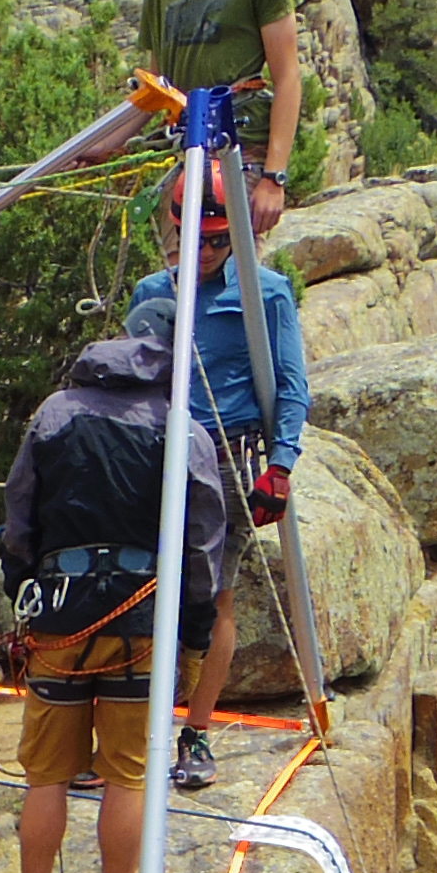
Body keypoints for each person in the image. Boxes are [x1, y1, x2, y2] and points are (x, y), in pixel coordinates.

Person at [0, 329, 233, 873]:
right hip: (142, 624)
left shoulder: (53, 414)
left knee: (46, 776)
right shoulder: (182, 426)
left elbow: (20, 514)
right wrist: (197, 626)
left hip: (60, 620)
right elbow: (205, 536)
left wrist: (26, 585)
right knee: (129, 777)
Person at [122, 183, 304, 790]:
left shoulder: (264, 294)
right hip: (158, 450)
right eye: (197, 239)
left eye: (221, 241)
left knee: (214, 596)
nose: (205, 251)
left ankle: (196, 731)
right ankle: (126, 733)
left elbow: (290, 385)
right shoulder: (155, 293)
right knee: (139, 591)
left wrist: (280, 465)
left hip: (226, 456)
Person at [138, 0, 304, 238]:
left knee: (228, 270)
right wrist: (104, 146)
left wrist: (274, 177)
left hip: (239, 144)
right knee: (181, 274)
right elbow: (155, 85)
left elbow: (288, 77)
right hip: (181, 145)